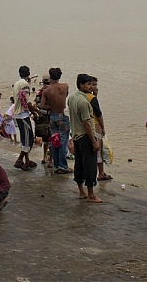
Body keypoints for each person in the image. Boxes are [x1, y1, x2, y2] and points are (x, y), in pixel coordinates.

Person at [68, 73, 102, 203]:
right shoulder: (83, 101)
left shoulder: (72, 98)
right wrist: (94, 141)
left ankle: (81, 192)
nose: (90, 87)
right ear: (81, 85)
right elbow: (86, 123)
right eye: (88, 84)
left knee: (79, 164)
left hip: (76, 136)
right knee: (89, 166)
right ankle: (91, 195)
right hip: (85, 137)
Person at [42, 68, 70, 174]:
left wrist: (50, 106)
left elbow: (42, 105)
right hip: (62, 115)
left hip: (53, 116)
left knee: (54, 141)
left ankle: (56, 164)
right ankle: (63, 166)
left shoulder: (47, 90)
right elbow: (65, 96)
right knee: (63, 141)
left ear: (50, 76)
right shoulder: (65, 86)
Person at [10, 65, 36, 169]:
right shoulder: (25, 85)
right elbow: (25, 101)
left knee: (25, 138)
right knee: (29, 139)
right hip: (23, 114)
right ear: (28, 73)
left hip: (18, 114)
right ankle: (20, 159)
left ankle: (27, 160)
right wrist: (35, 112)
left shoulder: (17, 83)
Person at [87, 76, 112, 181]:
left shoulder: (82, 97)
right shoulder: (92, 99)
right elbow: (98, 114)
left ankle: (98, 172)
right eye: (92, 85)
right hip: (95, 126)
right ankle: (101, 173)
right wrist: (102, 127)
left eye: (95, 85)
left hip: (88, 126)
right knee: (99, 151)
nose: (94, 87)